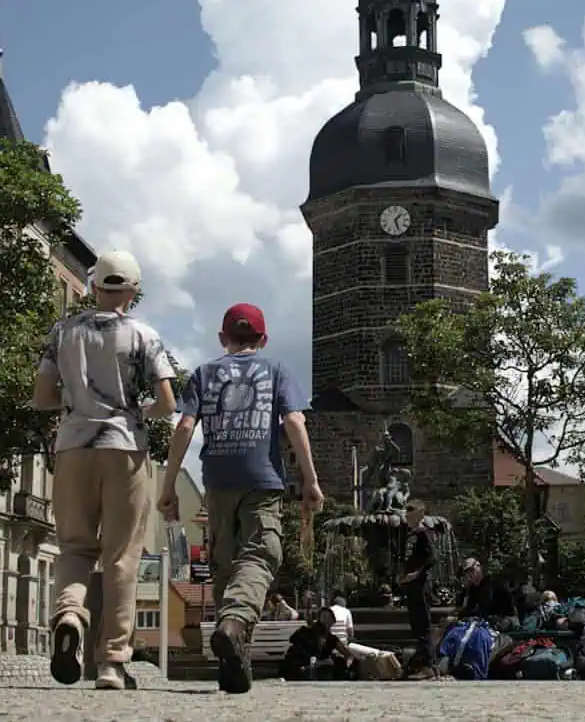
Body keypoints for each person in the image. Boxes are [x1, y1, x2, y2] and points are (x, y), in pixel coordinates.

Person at [158, 303, 323, 696]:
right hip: (261, 478)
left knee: (225, 565)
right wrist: (310, 480)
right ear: (263, 339)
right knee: (261, 556)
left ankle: (234, 660)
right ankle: (233, 625)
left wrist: (167, 487)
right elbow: (294, 421)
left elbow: (183, 426)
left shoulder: (204, 373)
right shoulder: (277, 371)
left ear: (222, 338)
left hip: (217, 479)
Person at [32, 249, 178, 691]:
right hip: (125, 449)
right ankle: (112, 663)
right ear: (132, 292)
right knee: (121, 557)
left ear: (94, 287)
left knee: (75, 548)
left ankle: (71, 614)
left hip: (73, 447)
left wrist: (78, 406)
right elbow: (167, 403)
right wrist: (134, 411)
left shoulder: (62, 332)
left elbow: (42, 397)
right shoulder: (144, 336)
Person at [396, 502, 435, 675]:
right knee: (416, 624)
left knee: (423, 623)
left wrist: (417, 573)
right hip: (410, 585)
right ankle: (420, 662)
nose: (406, 517)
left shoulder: (423, 533)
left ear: (419, 515)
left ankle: (429, 663)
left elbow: (432, 557)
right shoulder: (408, 534)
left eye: (410, 515)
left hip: (420, 584)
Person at [279, 607, 355, 681]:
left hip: (319, 669)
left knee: (334, 664)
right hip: (301, 666)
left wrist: (348, 662)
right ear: (318, 619)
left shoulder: (332, 639)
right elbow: (293, 641)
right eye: (324, 616)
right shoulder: (306, 632)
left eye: (328, 617)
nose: (326, 620)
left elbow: (348, 654)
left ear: (333, 622)